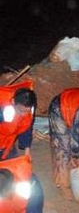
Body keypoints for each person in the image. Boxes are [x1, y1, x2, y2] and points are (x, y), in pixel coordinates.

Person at [0, 81, 44, 212]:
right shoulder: (3, 110)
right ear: (13, 102)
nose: (23, 114)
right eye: (20, 111)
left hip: (7, 145)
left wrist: (26, 152)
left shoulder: (27, 110)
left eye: (26, 111)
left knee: (20, 175)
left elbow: (26, 128)